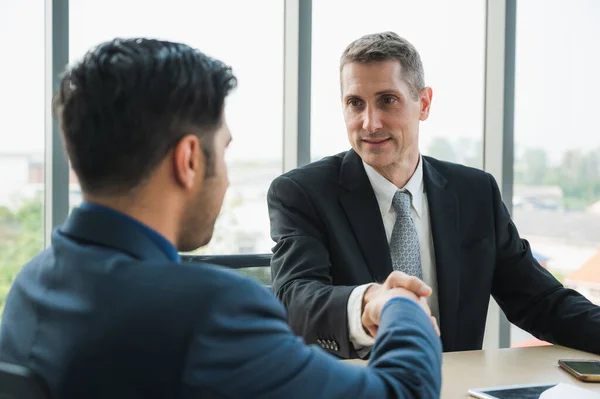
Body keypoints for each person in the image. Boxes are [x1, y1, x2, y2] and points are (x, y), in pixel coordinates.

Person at [0, 38, 442, 399]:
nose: (228, 177)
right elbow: (400, 392)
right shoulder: (208, 311)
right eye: (224, 149)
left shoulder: (32, 284)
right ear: (189, 159)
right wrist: (401, 308)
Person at [268, 31, 600, 360]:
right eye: (355, 104)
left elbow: (540, 301)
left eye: (387, 100)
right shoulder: (303, 193)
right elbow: (296, 299)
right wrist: (370, 301)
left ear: (423, 103)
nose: (369, 123)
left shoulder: (475, 193)